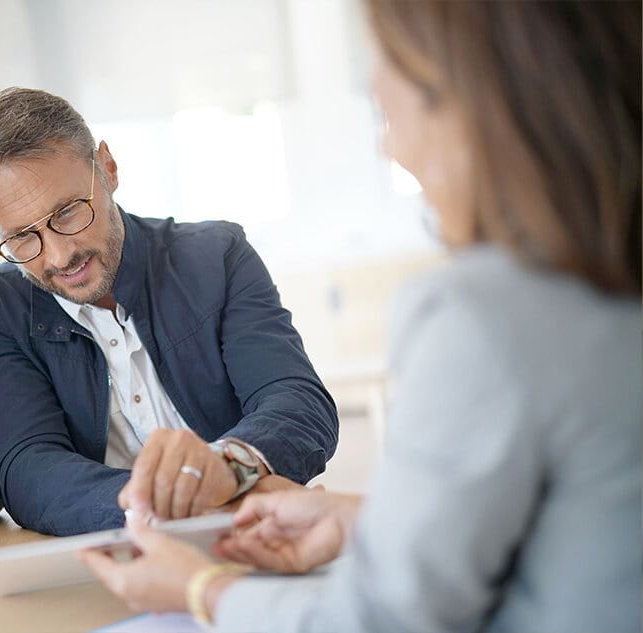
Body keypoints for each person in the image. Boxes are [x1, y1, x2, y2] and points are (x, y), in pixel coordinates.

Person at [80, 1, 642, 632]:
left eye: (391, 110)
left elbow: (384, 620)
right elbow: (581, 524)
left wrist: (204, 588)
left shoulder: (482, 318)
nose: (391, 147)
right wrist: (363, 522)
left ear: (474, 109)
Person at [0, 87, 338, 536]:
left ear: (108, 168)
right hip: (114, 558)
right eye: (20, 237)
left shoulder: (218, 256)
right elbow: (28, 472)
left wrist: (226, 470)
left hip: (257, 537)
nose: (58, 256)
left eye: (70, 212)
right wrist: (180, 506)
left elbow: (297, 402)